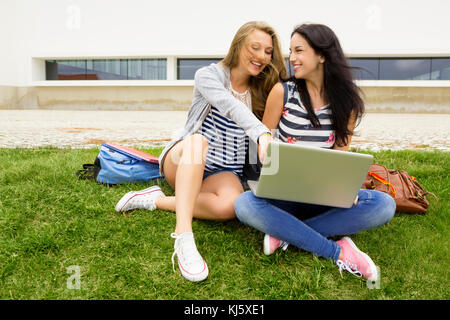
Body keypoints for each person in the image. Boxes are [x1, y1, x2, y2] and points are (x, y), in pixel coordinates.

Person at [114, 21, 287, 282]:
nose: (262, 56)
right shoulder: (209, 75)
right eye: (255, 47)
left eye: (268, 52)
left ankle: (154, 199)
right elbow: (230, 106)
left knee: (232, 206)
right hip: (185, 157)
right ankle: (184, 237)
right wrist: (261, 133)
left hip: (222, 170)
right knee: (199, 142)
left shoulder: (261, 89)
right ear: (238, 44)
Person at [233, 24, 396, 282]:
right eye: (290, 51)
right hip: (281, 196)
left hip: (323, 198)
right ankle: (338, 251)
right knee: (244, 204)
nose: (292, 58)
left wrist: (345, 187)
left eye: (299, 51)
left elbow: (341, 157)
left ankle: (286, 233)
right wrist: (266, 163)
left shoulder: (346, 103)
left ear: (322, 55)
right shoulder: (282, 92)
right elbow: (260, 147)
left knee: (384, 205)